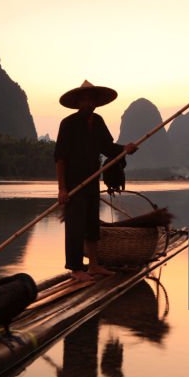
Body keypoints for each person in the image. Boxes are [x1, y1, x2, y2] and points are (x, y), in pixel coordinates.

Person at [54, 81, 137, 281]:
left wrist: (125, 149)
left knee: (92, 224)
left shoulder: (98, 121)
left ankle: (93, 265)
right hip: (75, 183)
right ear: (78, 101)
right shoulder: (68, 123)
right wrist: (62, 189)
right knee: (75, 225)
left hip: (92, 180)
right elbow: (60, 158)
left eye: (92, 99)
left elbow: (107, 147)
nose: (89, 102)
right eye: (85, 99)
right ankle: (75, 268)